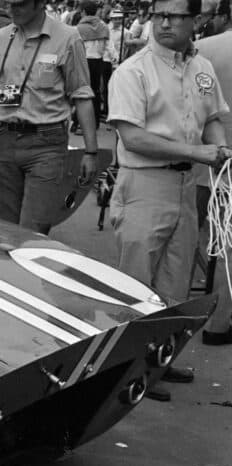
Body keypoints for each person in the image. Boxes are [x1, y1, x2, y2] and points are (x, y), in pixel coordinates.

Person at [108, 0, 231, 399]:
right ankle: (124, 370)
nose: (164, 23)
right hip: (144, 184)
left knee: (175, 281)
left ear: (193, 21)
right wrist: (199, 154)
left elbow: (212, 117)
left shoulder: (201, 68)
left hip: (184, 185)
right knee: (136, 279)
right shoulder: (134, 70)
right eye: (159, 14)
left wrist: (220, 154)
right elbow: (133, 137)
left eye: (175, 16)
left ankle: (158, 362)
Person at [0, 0, 98, 236]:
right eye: (9, 4)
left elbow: (82, 95)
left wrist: (91, 152)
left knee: (32, 232)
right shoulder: (0, 39)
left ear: (40, 4)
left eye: (19, 5)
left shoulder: (67, 38)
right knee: (7, 230)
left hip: (46, 145)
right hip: (5, 143)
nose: (11, 10)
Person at [194, 0, 232, 345]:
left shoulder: (202, 49)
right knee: (228, 244)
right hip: (222, 159)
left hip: (198, 158)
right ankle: (219, 322)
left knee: (192, 234)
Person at [75, 0, 109, 133]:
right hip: (99, 61)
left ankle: (80, 123)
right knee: (96, 91)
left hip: (84, 61)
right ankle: (94, 123)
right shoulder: (103, 26)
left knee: (82, 92)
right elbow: (107, 46)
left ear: (83, 12)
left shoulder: (79, 28)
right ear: (96, 12)